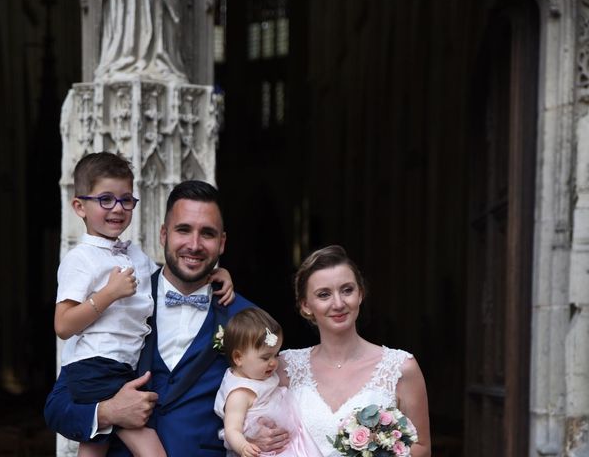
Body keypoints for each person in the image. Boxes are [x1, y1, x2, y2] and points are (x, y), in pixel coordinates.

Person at [45, 178, 260, 456]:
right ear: (163, 235)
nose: (194, 245)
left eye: (207, 234)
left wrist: (261, 429)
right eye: (183, 230)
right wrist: (108, 412)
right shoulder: (118, 302)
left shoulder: (246, 319)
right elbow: (57, 407)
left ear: (222, 243)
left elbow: (267, 401)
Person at [278, 245, 431, 457]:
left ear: (360, 294)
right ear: (306, 306)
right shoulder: (284, 367)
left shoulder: (401, 367)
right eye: (324, 295)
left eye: (347, 290)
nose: (338, 303)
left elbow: (422, 448)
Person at [214, 308, 322, 457]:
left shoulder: (257, 376)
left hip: (287, 441)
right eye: (265, 358)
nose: (273, 363)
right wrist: (243, 446)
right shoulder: (240, 393)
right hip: (262, 452)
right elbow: (232, 429)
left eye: (275, 355)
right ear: (238, 358)